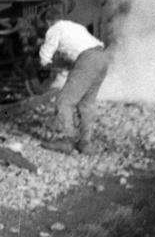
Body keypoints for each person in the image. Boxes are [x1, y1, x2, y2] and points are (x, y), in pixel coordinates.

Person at [38, 19, 109, 153]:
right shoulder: (73, 26)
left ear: (47, 22)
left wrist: (41, 62)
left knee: (63, 101)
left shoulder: (54, 29)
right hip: (102, 58)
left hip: (88, 60)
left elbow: (44, 58)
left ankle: (66, 140)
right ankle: (85, 143)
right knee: (86, 104)